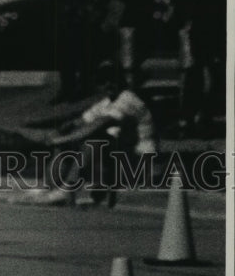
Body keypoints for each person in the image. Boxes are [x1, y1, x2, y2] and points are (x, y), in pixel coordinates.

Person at [47, 60, 157, 207]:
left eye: (112, 80)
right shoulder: (106, 103)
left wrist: (65, 138)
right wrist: (60, 131)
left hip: (140, 160)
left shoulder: (128, 99)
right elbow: (82, 120)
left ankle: (67, 189)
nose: (108, 85)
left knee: (96, 140)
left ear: (121, 81)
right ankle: (53, 189)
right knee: (67, 143)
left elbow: (99, 124)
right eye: (103, 81)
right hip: (120, 158)